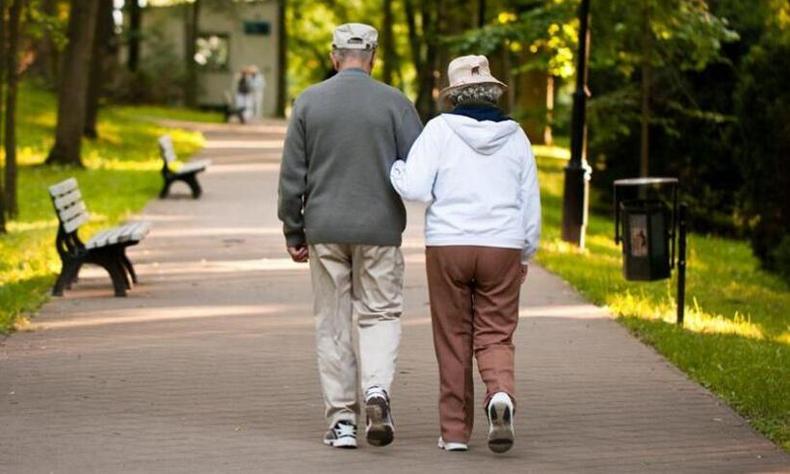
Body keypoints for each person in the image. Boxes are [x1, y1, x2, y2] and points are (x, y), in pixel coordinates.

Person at [277, 23, 423, 449]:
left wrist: (293, 228)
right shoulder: (395, 103)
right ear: (373, 56)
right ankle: (376, 391)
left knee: (333, 322)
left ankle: (342, 421)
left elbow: (292, 176)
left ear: (333, 56)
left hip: (325, 229)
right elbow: (419, 168)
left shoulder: (309, 102)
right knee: (379, 315)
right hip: (379, 230)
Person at [390, 55, 541, 454]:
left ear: (454, 95)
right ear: (493, 93)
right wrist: (525, 252)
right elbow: (530, 202)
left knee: (453, 337)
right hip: (502, 245)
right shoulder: (517, 137)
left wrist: (396, 171)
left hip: (449, 245)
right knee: (496, 333)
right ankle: (500, 395)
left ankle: (455, 433)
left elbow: (417, 188)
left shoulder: (439, 131)